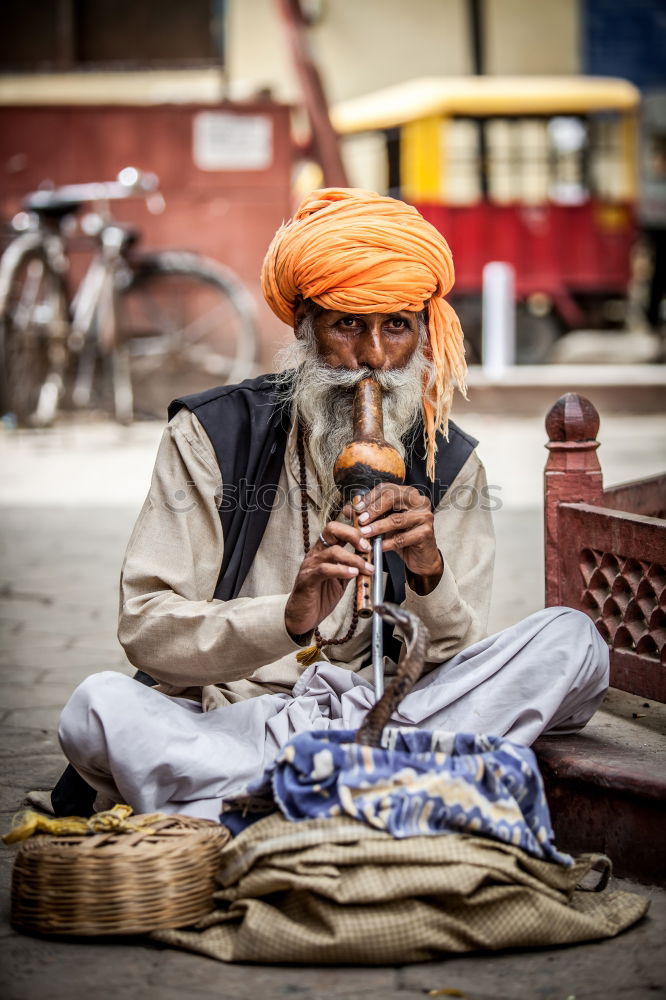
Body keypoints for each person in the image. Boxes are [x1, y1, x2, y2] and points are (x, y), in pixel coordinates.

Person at [57, 189, 609, 821]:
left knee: (573, 641)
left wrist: (428, 572)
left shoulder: (451, 463)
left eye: (396, 326)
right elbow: (147, 631)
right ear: (303, 327)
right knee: (98, 707)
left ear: (422, 334)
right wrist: (286, 619)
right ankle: (380, 796)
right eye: (348, 323)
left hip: (392, 714)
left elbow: (458, 656)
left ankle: (273, 805)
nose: (372, 356)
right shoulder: (210, 434)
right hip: (238, 723)